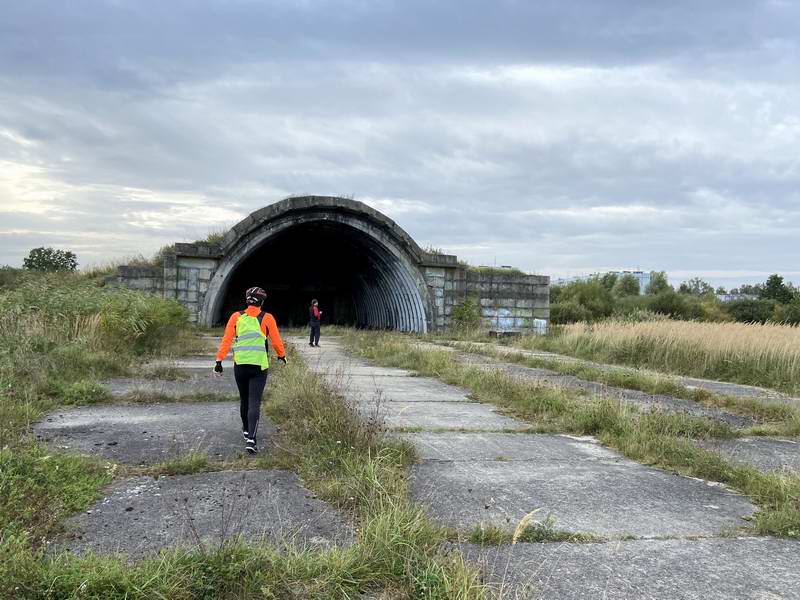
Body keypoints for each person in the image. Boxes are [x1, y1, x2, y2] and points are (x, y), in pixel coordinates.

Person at [213, 286, 286, 454]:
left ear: (247, 300)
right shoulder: (267, 318)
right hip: (259, 367)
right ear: (261, 301)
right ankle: (252, 439)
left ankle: (246, 431)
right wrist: (282, 355)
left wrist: (219, 361)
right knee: (255, 402)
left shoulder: (236, 317)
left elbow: (227, 340)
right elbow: (276, 341)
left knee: (244, 399)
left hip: (240, 365)